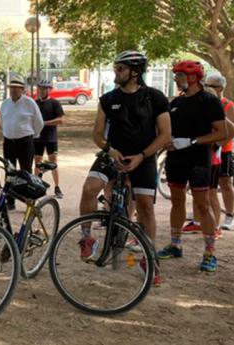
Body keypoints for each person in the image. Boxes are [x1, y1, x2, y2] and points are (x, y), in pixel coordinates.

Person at [78, 51, 171, 286]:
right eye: (115, 68)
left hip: (143, 157)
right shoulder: (108, 99)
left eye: (120, 69)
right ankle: (87, 238)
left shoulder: (155, 97)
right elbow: (97, 134)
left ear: (135, 72)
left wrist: (142, 156)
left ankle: (149, 259)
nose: (115, 73)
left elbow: (166, 134)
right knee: (90, 188)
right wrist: (110, 150)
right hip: (113, 154)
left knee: (145, 207)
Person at [158, 60, 234, 273]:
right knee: (177, 201)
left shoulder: (209, 100)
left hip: (200, 160)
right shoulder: (176, 102)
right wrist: (168, 140)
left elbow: (223, 133)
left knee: (202, 205)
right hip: (176, 159)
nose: (176, 79)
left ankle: (210, 253)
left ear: (192, 77)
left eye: (179, 76)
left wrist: (191, 141)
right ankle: (175, 244)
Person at [0, 75, 44, 210]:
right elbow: (2, 120)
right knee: (10, 172)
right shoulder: (5, 103)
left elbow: (39, 122)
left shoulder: (30, 103)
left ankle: (28, 201)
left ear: (22, 90)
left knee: (26, 172)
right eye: (11, 88)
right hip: (9, 142)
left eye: (16, 88)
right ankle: (10, 201)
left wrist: (32, 135)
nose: (13, 91)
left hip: (25, 141)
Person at [206, 74, 234, 231]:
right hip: (208, 150)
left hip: (223, 150)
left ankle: (229, 216)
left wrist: (218, 145)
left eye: (211, 85)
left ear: (221, 88)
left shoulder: (228, 105)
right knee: (209, 187)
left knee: (225, 183)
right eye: (207, 85)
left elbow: (232, 130)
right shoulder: (207, 103)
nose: (208, 88)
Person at [34, 80, 65, 198]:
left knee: (53, 162)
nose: (42, 91)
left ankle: (57, 187)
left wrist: (44, 123)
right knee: (37, 163)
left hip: (51, 138)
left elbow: (61, 120)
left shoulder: (54, 103)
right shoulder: (35, 103)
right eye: (40, 88)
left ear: (49, 90)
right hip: (37, 138)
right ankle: (36, 186)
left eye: (45, 88)